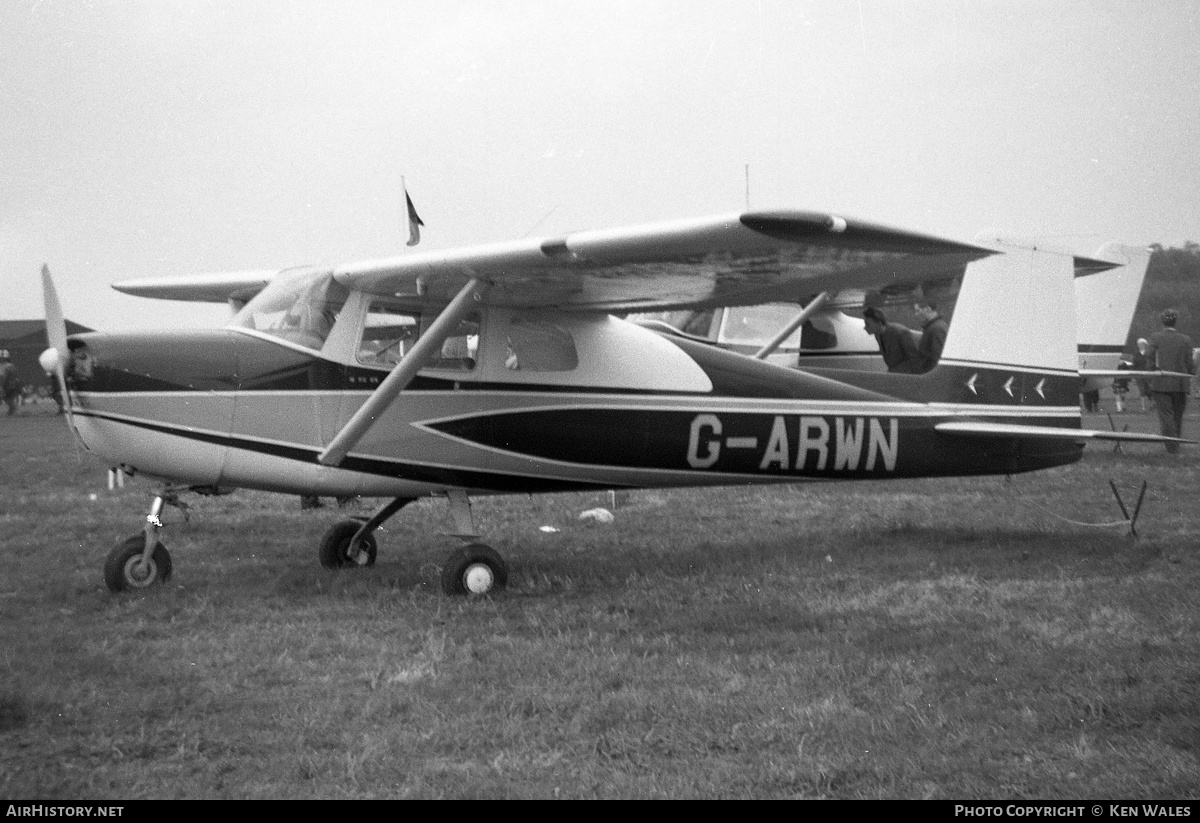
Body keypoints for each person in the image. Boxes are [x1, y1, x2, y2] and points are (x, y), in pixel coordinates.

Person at [1147, 309, 1194, 453]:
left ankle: (1171, 446)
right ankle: (1176, 443)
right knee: (1177, 416)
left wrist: (1149, 376)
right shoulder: (1186, 339)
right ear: (1175, 321)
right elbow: (1190, 363)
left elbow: (1150, 358)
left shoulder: (1155, 337)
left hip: (1160, 383)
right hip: (1180, 383)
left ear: (1163, 321)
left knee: (1166, 415)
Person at [862, 307, 922, 373]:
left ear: (879, 324)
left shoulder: (901, 333)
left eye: (868, 324)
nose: (865, 328)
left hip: (906, 375)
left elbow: (915, 360)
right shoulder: (878, 335)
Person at [913, 300, 949, 373]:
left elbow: (938, 358)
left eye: (918, 310)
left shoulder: (937, 329)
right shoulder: (934, 327)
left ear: (928, 309)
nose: (916, 314)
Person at [1132, 338, 1151, 412]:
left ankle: (1151, 404)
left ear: (1144, 345)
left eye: (1141, 344)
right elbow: (1134, 366)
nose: (1140, 345)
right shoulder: (1136, 355)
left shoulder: (1148, 354)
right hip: (1139, 375)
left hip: (1148, 375)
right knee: (1141, 390)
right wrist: (1133, 377)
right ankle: (1143, 407)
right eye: (1138, 344)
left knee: (1149, 391)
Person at [0, 351, 21, 416]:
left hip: (8, 385)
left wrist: (2, 386)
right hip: (11, 384)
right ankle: (12, 411)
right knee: (8, 398)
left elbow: (5, 377)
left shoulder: (7, 366)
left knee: (7, 398)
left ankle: (14, 410)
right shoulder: (11, 366)